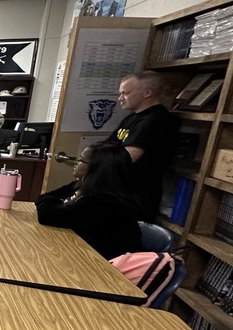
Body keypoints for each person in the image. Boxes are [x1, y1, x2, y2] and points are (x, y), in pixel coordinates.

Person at [35, 142, 143, 259]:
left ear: (97, 167)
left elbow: (47, 215)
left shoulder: (105, 201)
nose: (76, 162)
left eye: (81, 160)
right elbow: (45, 197)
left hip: (107, 263)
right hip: (85, 253)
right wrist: (55, 204)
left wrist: (56, 204)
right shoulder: (82, 185)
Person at [106, 72, 179, 222]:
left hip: (135, 198)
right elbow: (106, 146)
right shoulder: (132, 118)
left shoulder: (156, 119)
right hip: (119, 192)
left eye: (125, 93)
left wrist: (99, 160)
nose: (120, 98)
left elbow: (127, 157)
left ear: (147, 93)